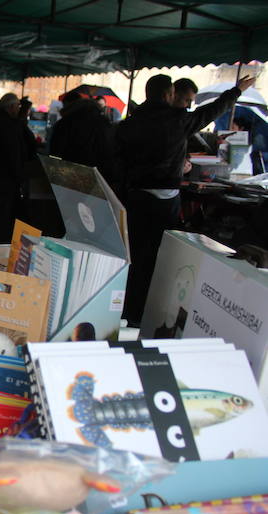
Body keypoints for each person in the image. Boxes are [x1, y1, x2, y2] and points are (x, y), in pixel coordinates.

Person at [117, 73, 254, 325]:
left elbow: (117, 162)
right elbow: (210, 111)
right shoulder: (177, 120)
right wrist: (236, 91)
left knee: (134, 255)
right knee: (157, 258)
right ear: (169, 94)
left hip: (134, 198)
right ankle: (144, 313)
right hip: (164, 200)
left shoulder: (129, 123)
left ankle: (126, 309)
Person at [0, 93, 36, 243]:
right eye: (18, 106)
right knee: (3, 216)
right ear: (11, 107)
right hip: (5, 179)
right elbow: (14, 154)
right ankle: (0, 243)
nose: (19, 109)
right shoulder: (8, 125)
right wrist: (20, 177)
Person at [49, 91, 118, 189]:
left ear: (68, 104)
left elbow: (55, 152)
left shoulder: (65, 123)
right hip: (101, 179)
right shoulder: (104, 122)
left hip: (72, 177)